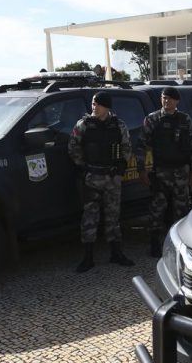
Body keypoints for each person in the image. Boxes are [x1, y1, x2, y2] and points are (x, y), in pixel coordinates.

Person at [68, 92, 134, 273]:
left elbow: (127, 147)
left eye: (97, 104)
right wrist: (83, 166)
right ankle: (88, 257)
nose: (94, 107)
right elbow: (73, 146)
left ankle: (116, 253)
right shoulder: (83, 125)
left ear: (107, 107)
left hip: (112, 177)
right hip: (92, 177)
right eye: (93, 104)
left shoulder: (119, 125)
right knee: (90, 217)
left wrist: (121, 167)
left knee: (113, 215)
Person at [136, 86, 192, 257]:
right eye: (164, 98)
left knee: (181, 209)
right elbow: (141, 146)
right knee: (157, 209)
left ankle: (179, 246)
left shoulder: (185, 119)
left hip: (181, 172)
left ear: (177, 101)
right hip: (160, 172)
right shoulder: (152, 119)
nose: (167, 101)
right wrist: (141, 169)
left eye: (170, 98)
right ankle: (155, 245)